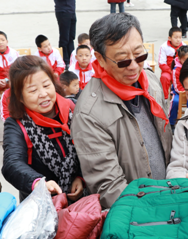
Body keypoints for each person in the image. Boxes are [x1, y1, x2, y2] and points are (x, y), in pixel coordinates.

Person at [71, 13, 173, 209]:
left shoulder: (151, 82)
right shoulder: (89, 113)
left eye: (140, 55)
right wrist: (154, 212)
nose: (134, 66)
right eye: (123, 60)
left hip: (167, 197)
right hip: (138, 213)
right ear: (100, 59)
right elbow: (109, 187)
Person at [2, 55, 85, 203]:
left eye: (46, 85)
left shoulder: (72, 108)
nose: (43, 94)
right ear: (20, 97)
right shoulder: (16, 125)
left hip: (80, 198)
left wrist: (80, 175)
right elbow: (12, 163)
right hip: (41, 203)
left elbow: (90, 146)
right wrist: (38, 183)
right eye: (33, 90)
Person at [50, 0, 85, 67]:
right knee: (64, 38)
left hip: (71, 10)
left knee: (71, 36)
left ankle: (72, 59)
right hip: (63, 11)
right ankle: (64, 61)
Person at [169, 45, 188, 127]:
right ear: (179, 59)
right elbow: (176, 86)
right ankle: (172, 123)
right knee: (175, 102)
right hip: (178, 91)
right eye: (185, 60)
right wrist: (185, 92)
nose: (187, 61)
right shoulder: (176, 70)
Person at [159, 27, 184, 99]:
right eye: (176, 37)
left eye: (180, 37)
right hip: (168, 71)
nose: (178, 39)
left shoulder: (184, 47)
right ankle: (165, 98)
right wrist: (171, 71)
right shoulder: (164, 47)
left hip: (180, 71)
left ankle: (184, 97)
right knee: (164, 77)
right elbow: (161, 63)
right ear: (169, 38)